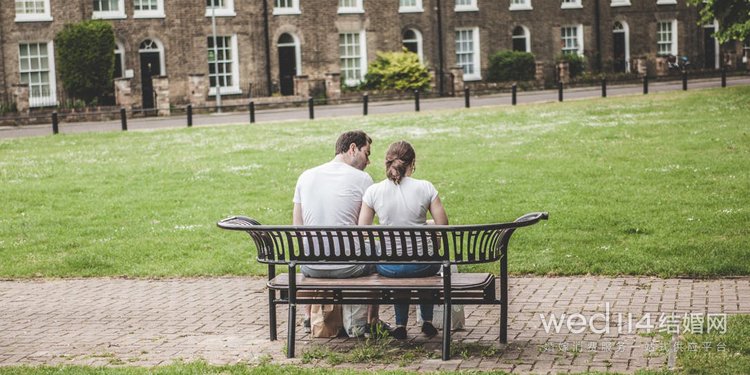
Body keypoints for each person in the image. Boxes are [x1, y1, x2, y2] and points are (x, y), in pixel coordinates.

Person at [293, 130, 384, 336]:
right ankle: (371, 320)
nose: (368, 161)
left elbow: (298, 227)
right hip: (349, 266)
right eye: (367, 153)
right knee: (379, 256)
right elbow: (365, 231)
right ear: (353, 149)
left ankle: (308, 317)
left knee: (311, 249)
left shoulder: (306, 176)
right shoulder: (363, 179)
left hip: (311, 266)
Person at [358, 140, 449, 340]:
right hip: (424, 266)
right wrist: (427, 225)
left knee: (399, 269)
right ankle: (427, 321)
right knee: (425, 262)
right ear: (412, 163)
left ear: (387, 162)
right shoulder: (425, 187)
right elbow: (443, 225)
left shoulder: (374, 191)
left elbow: (363, 230)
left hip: (389, 267)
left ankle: (400, 324)